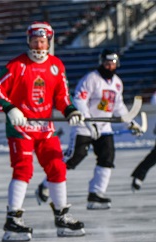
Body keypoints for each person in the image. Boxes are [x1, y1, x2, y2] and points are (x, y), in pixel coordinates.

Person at [0, 21, 86, 242]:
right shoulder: (17, 65)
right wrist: (10, 108)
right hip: (21, 128)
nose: (38, 45)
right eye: (34, 40)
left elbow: (62, 96)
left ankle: (62, 215)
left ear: (48, 42)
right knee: (23, 170)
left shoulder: (56, 66)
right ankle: (13, 218)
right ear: (28, 41)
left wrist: (70, 110)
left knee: (57, 168)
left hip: (45, 128)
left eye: (42, 41)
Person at [36, 49, 145, 210]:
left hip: (104, 127)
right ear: (101, 62)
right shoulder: (91, 79)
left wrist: (130, 123)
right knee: (74, 159)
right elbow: (79, 100)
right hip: (85, 127)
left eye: (112, 63)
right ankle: (45, 184)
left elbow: (119, 107)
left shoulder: (117, 83)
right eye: (107, 63)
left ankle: (96, 194)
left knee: (107, 158)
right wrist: (88, 121)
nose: (109, 66)